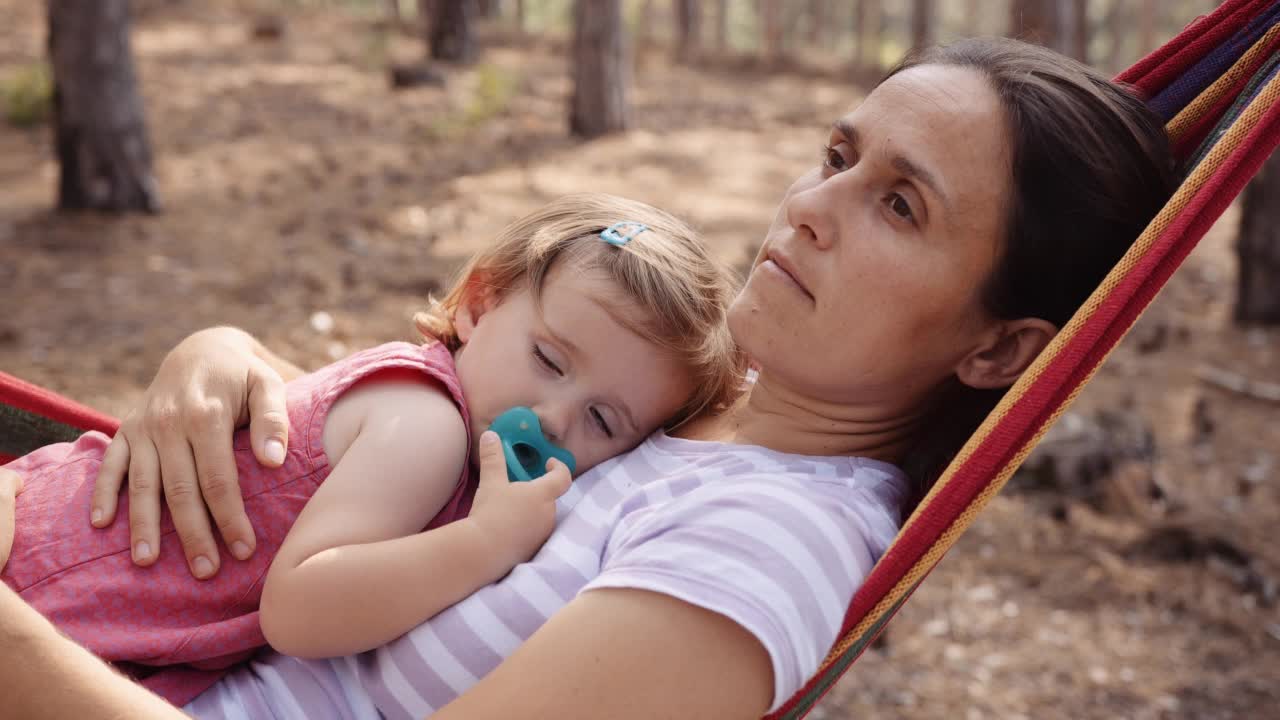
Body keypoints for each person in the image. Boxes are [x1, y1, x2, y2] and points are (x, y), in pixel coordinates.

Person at [0, 38, 1177, 720]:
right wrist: (215, 358)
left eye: (899, 205)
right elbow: (392, 407)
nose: (807, 210)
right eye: (835, 156)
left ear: (999, 352)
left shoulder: (763, 545)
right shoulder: (682, 413)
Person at [0, 193, 745, 705]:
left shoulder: (431, 410)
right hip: (46, 573)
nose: (553, 419)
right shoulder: (429, 426)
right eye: (550, 360)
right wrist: (484, 542)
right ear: (478, 305)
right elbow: (301, 609)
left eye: (604, 421)